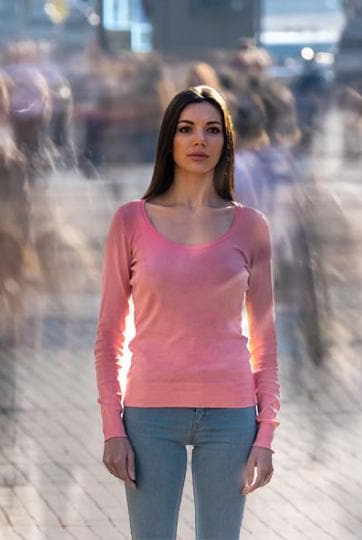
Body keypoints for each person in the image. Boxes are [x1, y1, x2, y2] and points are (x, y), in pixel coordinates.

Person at [94, 85, 279, 540]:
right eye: (187, 129)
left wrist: (266, 435)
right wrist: (112, 428)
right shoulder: (131, 221)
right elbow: (108, 338)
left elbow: (266, 341)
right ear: (169, 141)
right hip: (149, 414)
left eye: (212, 130)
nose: (200, 140)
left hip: (231, 415)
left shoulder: (252, 226)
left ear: (226, 142)